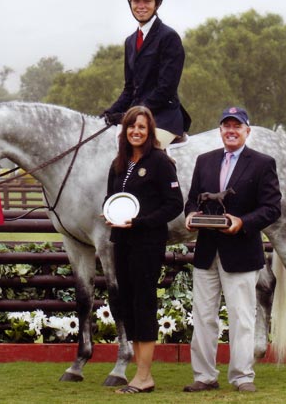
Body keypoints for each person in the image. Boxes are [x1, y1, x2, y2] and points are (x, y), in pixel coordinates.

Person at [183, 107, 282, 393]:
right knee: (202, 316)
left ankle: (242, 376)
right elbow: (192, 201)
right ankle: (204, 376)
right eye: (226, 126)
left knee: (242, 316)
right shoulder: (205, 161)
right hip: (206, 252)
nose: (231, 130)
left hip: (241, 252)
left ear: (247, 131)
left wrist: (243, 222)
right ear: (220, 130)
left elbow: (272, 208)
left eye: (237, 126)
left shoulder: (263, 163)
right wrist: (190, 215)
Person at [103, 106, 183, 394]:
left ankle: (144, 376)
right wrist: (109, 214)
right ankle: (140, 373)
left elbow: (175, 204)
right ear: (124, 131)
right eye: (131, 127)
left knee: (144, 304)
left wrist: (141, 222)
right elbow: (112, 198)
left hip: (147, 244)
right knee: (128, 306)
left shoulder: (161, 162)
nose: (136, 131)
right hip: (121, 242)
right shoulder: (118, 163)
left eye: (142, 127)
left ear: (149, 132)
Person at [101, 0, 191, 149]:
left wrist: (131, 115)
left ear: (156, 4)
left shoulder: (168, 37)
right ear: (130, 4)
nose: (141, 6)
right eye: (136, 1)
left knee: (139, 151)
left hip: (163, 117)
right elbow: (129, 89)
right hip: (138, 116)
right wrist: (108, 114)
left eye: (147, 1)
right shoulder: (130, 41)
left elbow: (165, 89)